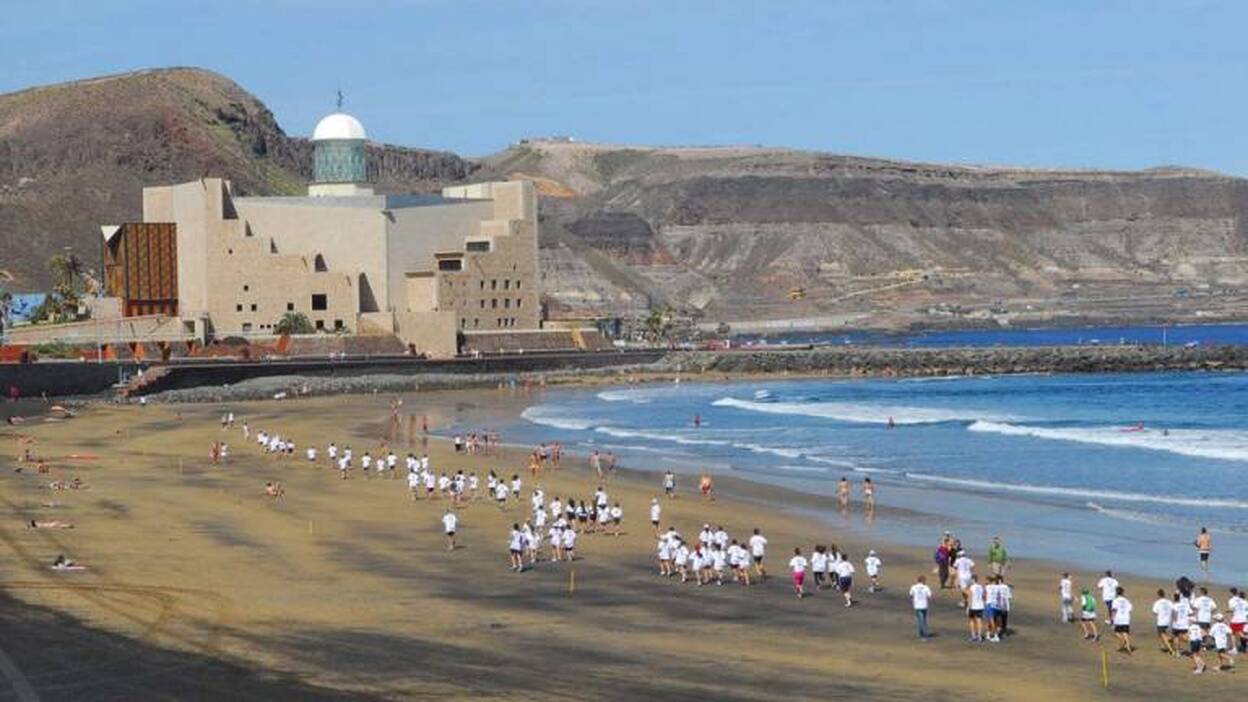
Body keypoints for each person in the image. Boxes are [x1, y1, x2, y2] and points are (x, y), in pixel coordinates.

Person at [1152, 588, 1177, 656]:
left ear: (1158, 595)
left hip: (1161, 621)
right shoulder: (1169, 602)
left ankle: (1171, 650)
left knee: (1162, 635)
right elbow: (1173, 610)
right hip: (1168, 621)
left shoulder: (1157, 602)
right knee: (1163, 635)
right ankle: (1170, 639)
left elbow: (1155, 612)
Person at [1111, 586, 1134, 654]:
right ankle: (1127, 647)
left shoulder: (1115, 600)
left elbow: (1114, 610)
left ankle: (1123, 641)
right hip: (1126, 619)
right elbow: (1130, 610)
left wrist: (1112, 618)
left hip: (1118, 619)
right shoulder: (1127, 600)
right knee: (1125, 633)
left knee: (1116, 632)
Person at [910, 575, 933, 640]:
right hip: (924, 605)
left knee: (920, 620)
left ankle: (921, 633)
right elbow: (929, 596)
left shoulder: (913, 587)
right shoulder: (926, 587)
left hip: (917, 605)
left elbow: (911, 595)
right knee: (923, 620)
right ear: (923, 581)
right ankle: (924, 635)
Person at [965, 574, 986, 642]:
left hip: (973, 606)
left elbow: (970, 597)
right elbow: (983, 596)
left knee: (971, 621)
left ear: (973, 580)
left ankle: (973, 635)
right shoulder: (980, 587)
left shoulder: (971, 587)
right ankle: (979, 636)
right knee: (979, 621)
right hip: (980, 605)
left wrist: (968, 606)